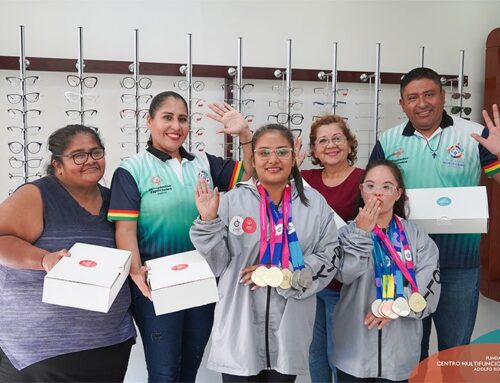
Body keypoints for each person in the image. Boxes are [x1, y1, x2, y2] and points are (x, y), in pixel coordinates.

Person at [108, 91, 254, 382]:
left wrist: (246, 134)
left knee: (190, 368)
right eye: (167, 117)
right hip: (155, 284)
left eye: (183, 119)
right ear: (149, 121)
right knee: (164, 373)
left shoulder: (204, 163)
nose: (176, 126)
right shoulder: (131, 170)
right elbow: (125, 229)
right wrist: (136, 272)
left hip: (202, 280)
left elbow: (250, 172)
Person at [189, 123, 341, 383]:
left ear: (294, 157)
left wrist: (287, 274)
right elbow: (217, 265)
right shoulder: (230, 202)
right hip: (240, 329)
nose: (273, 160)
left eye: (282, 152)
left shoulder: (314, 204)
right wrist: (208, 220)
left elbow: (331, 256)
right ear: (253, 158)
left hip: (289, 330)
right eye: (264, 152)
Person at [369, 67, 500, 361]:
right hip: (404, 265)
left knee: (454, 352)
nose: (422, 103)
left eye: (429, 94)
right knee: (410, 352)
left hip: (459, 264)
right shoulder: (387, 141)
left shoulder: (475, 135)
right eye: (412, 97)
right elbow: (372, 195)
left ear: (443, 96)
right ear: (402, 104)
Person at [0, 125, 136, 382]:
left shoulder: (115, 200)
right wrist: (43, 259)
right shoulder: (37, 195)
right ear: (57, 164)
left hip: (109, 344)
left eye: (96, 152)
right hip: (39, 352)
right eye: (78, 155)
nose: (90, 161)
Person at [333, 159, 440, 382]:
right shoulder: (345, 235)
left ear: (398, 193)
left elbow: (429, 291)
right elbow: (345, 274)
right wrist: (362, 234)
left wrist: (396, 308)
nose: (378, 193)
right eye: (370, 186)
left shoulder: (417, 237)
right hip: (354, 354)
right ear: (362, 191)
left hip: (400, 358)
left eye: (386, 187)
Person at [301, 115, 364, 383]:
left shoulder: (365, 180)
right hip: (312, 285)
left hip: (346, 286)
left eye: (337, 138)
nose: (331, 145)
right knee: (315, 355)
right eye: (322, 141)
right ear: (314, 150)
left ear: (349, 144)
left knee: (341, 357)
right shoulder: (303, 179)